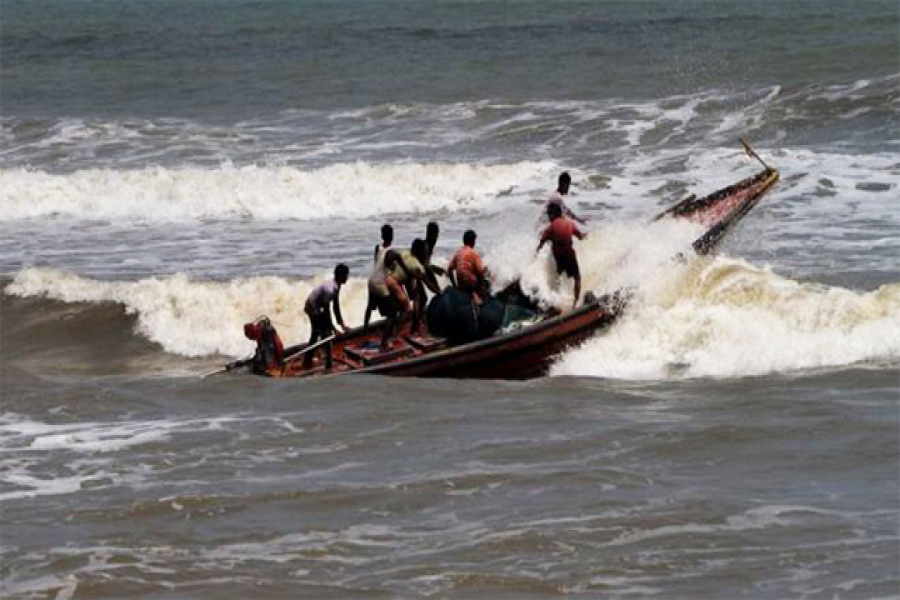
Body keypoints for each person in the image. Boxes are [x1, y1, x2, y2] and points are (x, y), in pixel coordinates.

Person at [537, 203, 587, 308]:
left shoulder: (550, 227)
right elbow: (580, 236)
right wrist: (585, 235)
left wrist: (535, 255)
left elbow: (541, 244)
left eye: (549, 215)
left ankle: (556, 302)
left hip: (559, 257)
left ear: (553, 214)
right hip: (569, 254)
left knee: (558, 277)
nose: (549, 217)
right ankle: (575, 304)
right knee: (577, 278)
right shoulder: (570, 224)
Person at [303, 263, 350, 369]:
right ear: (341, 276)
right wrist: (333, 329)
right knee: (325, 335)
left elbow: (336, 306)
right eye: (346, 275)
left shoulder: (336, 285)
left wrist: (342, 325)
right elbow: (326, 312)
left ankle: (308, 360)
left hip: (318, 307)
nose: (347, 277)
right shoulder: (330, 289)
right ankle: (326, 365)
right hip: (313, 308)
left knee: (320, 334)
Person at [392, 238, 441, 335]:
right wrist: (439, 293)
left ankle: (414, 325)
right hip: (394, 284)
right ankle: (396, 334)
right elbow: (429, 285)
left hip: (391, 280)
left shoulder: (405, 253)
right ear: (421, 252)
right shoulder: (417, 266)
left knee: (417, 299)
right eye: (425, 252)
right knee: (408, 310)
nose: (426, 254)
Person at [447, 229, 488, 303]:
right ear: (472, 241)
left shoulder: (458, 253)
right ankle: (479, 302)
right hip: (470, 284)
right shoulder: (473, 254)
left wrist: (454, 285)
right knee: (485, 276)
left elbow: (449, 270)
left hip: (460, 284)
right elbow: (480, 272)